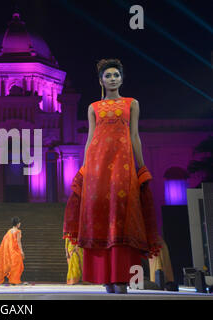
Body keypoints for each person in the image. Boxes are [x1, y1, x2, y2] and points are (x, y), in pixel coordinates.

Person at [63, 59, 161, 294]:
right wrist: (85, 168)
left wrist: (142, 165)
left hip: (123, 164)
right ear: (101, 81)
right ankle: (106, 276)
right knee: (100, 215)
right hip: (97, 166)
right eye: (108, 76)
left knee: (121, 214)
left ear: (122, 78)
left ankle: (121, 276)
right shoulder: (93, 107)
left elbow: (135, 135)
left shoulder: (132, 104)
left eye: (116, 75)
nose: (113, 79)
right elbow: (89, 139)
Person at [0, 217, 25, 285]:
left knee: (12, 265)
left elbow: (5, 242)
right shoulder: (18, 231)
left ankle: (13, 280)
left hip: (10, 252)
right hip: (16, 251)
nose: (20, 224)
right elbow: (19, 242)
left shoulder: (9, 231)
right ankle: (14, 281)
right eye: (19, 223)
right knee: (17, 265)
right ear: (17, 224)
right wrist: (21, 251)